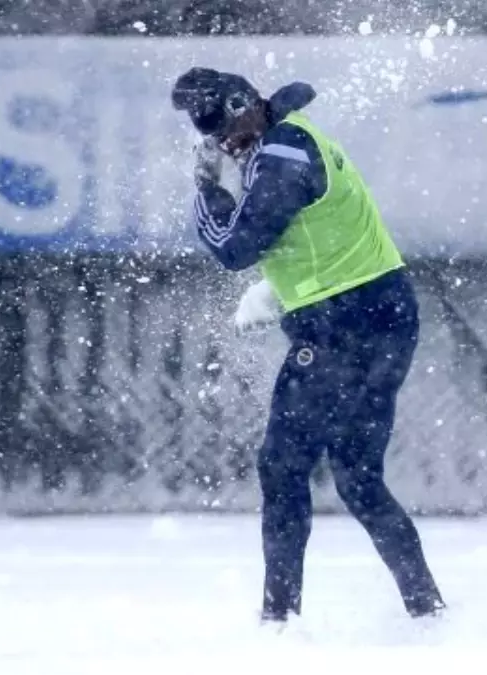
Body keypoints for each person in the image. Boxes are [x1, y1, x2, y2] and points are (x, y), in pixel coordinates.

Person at [170, 67, 445, 624]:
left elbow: (235, 247)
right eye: (214, 138)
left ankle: (278, 621)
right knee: (358, 479)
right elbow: (319, 239)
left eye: (226, 128)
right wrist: (280, 290)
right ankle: (429, 613)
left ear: (246, 103)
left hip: (342, 326)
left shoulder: (281, 155)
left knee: (281, 465)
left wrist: (204, 191)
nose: (225, 143)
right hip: (383, 313)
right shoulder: (290, 137)